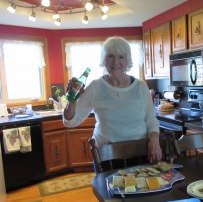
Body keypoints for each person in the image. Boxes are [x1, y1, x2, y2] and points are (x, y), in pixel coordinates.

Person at [63, 36, 162, 164]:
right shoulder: (95, 87)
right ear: (104, 59)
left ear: (128, 60)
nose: (115, 62)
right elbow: (70, 122)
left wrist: (154, 139)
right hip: (107, 157)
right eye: (110, 56)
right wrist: (72, 99)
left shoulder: (141, 86)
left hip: (140, 153)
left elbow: (151, 120)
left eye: (121, 56)